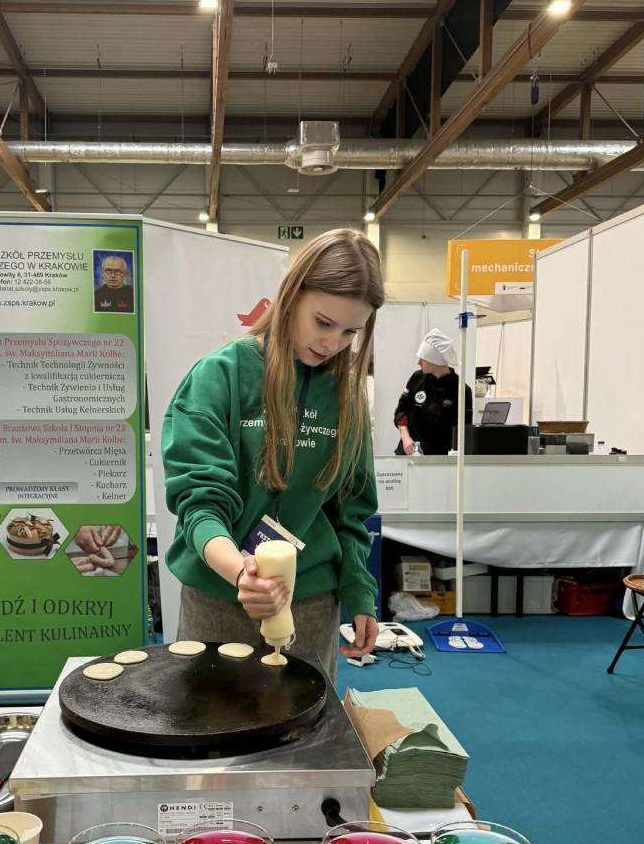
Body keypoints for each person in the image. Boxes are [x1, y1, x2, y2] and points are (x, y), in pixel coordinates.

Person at [161, 229, 384, 684]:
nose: (332, 343)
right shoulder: (220, 375)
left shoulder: (346, 397)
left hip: (310, 603)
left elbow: (350, 510)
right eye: (323, 322)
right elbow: (200, 503)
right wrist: (241, 573)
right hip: (218, 598)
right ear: (291, 295)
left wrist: (360, 591)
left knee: (304, 722)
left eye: (350, 332)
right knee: (211, 717)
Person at [394, 328, 473, 456]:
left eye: (423, 359)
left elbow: (465, 430)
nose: (418, 363)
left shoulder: (460, 390)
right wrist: (405, 437)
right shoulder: (417, 378)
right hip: (409, 453)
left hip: (440, 458)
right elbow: (401, 410)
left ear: (437, 361)